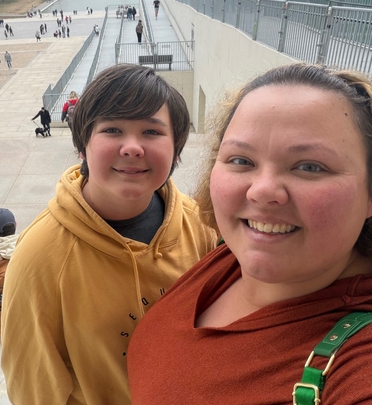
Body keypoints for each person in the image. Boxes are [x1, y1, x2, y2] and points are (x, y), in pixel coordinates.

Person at [128, 63, 372, 405]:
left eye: (310, 166)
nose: (262, 191)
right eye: (241, 160)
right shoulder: (230, 252)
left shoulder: (357, 365)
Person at [1, 64, 218, 405]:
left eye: (152, 131)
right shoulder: (40, 256)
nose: (132, 148)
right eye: (112, 129)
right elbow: (32, 387)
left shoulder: (200, 225)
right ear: (82, 146)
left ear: (176, 150)